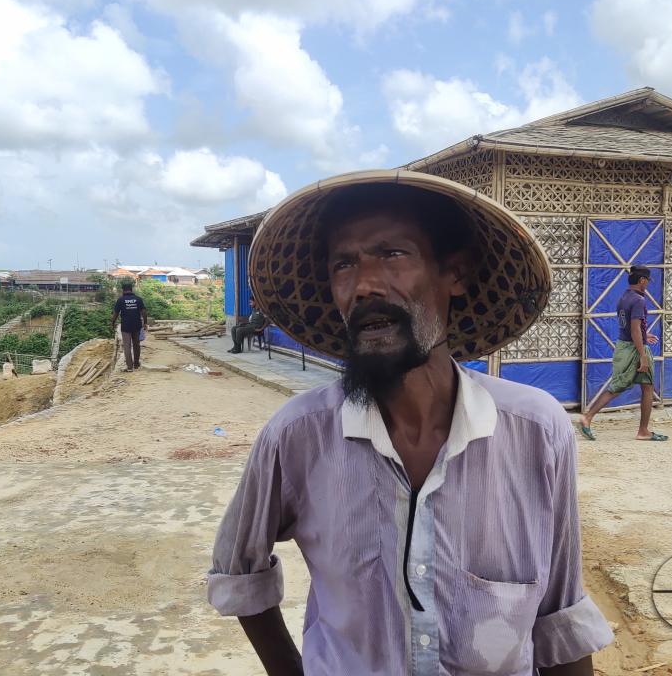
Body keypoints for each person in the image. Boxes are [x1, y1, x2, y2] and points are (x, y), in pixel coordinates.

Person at [207, 170, 612, 675]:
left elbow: (559, 616)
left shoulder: (536, 430)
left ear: (454, 274)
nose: (364, 285)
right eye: (343, 264)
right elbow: (238, 570)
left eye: (393, 254)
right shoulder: (298, 435)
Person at [579, 265, 665, 442]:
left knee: (647, 386)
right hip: (634, 349)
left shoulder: (624, 297)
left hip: (624, 345)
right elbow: (634, 329)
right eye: (647, 281)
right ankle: (587, 417)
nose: (647, 284)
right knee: (617, 386)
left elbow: (628, 327)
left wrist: (644, 335)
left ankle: (643, 430)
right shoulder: (639, 300)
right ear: (642, 280)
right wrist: (643, 356)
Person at [111, 281, 147, 371]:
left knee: (127, 346)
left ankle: (130, 367)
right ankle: (136, 364)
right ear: (131, 289)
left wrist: (112, 323)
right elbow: (143, 312)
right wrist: (145, 323)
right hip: (137, 325)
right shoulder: (138, 299)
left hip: (126, 326)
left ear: (123, 290)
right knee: (136, 344)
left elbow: (115, 313)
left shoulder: (120, 300)